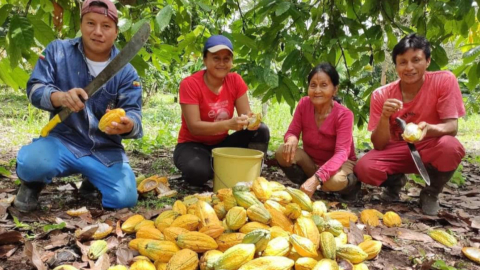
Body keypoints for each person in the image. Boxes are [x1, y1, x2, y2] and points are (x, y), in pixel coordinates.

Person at [14, 0, 143, 212]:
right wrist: (59, 97)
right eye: (91, 23)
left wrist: (128, 125)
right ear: (81, 24)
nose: (98, 32)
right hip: (63, 141)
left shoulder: (127, 72)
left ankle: (93, 179)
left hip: (104, 149)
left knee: (125, 199)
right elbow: (35, 88)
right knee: (33, 163)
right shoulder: (58, 51)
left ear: (116, 31)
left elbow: (134, 113)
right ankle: (32, 184)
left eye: (106, 26)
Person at [354, 33, 465, 216]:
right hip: (398, 149)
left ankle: (431, 193)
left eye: (416, 60)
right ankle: (395, 183)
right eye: (403, 62)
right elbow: (379, 144)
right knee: (364, 168)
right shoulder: (381, 95)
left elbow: (452, 127)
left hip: (431, 144)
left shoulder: (444, 80)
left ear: (427, 61)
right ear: (396, 66)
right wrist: (384, 117)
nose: (409, 67)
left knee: (451, 147)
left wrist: (429, 130)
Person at [173, 35, 270, 186]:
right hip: (192, 144)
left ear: (231, 62)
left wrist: (250, 121)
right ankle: (217, 168)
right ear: (205, 60)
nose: (222, 63)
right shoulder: (190, 84)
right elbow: (194, 127)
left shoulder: (235, 80)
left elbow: (246, 115)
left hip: (222, 145)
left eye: (226, 59)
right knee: (198, 172)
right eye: (216, 58)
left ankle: (252, 171)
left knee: (261, 130)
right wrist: (228, 124)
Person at [275, 63, 358, 200]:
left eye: (324, 85)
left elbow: (342, 153)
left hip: (339, 165)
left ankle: (351, 186)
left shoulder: (344, 115)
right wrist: (292, 138)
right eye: (313, 85)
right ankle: (308, 183)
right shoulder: (304, 104)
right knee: (281, 152)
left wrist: (317, 178)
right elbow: (292, 132)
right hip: (312, 162)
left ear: (335, 90)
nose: (317, 90)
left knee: (333, 182)